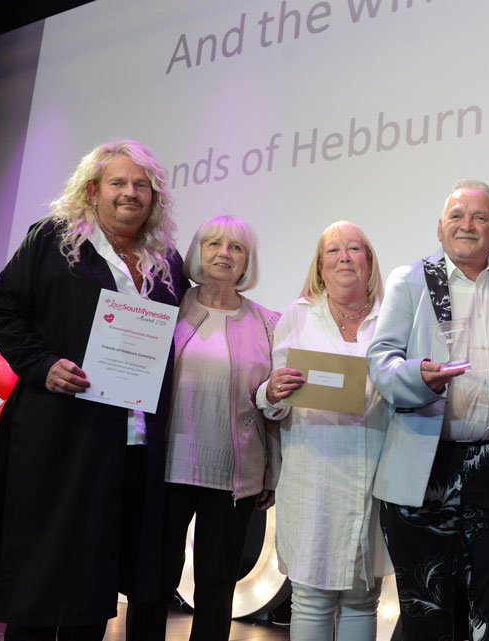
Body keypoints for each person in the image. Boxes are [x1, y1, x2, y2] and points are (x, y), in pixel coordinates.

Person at [0, 140, 188, 641]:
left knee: (97, 576)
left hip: (130, 443)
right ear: (93, 191)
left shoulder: (166, 261)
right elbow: (0, 307)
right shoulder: (54, 240)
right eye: (118, 183)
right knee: (43, 570)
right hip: (58, 434)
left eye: (141, 185)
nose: (130, 194)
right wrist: (41, 364)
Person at [368, 179, 489, 641]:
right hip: (425, 461)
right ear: (440, 229)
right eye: (457, 217)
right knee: (426, 609)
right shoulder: (410, 280)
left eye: (480, 217)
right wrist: (416, 377)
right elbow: (380, 361)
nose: (468, 225)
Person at [257, 221, 388, 641]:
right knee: (311, 596)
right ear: (319, 266)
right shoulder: (297, 315)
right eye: (333, 251)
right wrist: (271, 392)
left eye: (355, 249)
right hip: (313, 474)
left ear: (370, 262)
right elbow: (272, 397)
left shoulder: (392, 318)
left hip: (373, 475)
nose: (344, 257)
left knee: (362, 597)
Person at [159, 214, 280, 640]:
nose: (224, 254)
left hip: (234, 473)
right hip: (165, 467)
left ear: (248, 262)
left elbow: (273, 408)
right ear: (196, 253)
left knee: (216, 588)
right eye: (213, 244)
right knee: (152, 585)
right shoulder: (167, 307)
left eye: (236, 247)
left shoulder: (269, 323)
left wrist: (272, 473)